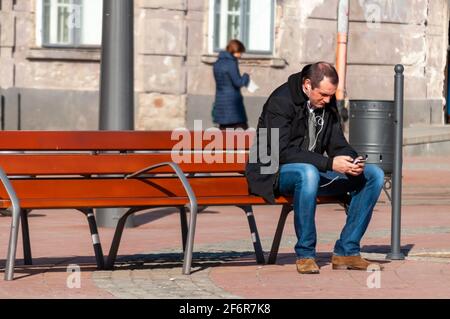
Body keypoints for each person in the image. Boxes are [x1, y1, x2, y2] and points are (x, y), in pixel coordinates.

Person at [245, 62, 385, 274]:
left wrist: (352, 160)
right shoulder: (281, 101)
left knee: (374, 174)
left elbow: (337, 142)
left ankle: (347, 250)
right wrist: (329, 164)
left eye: (331, 95)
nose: (328, 100)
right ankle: (306, 254)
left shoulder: (325, 103)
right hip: (272, 172)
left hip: (310, 173)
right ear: (307, 85)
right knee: (307, 172)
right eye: (323, 94)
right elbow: (280, 152)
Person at [212, 39, 250, 130]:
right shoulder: (231, 63)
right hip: (233, 103)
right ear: (235, 50)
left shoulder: (217, 63)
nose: (241, 55)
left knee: (224, 131)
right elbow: (238, 82)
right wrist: (246, 76)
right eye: (240, 52)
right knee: (242, 130)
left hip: (220, 101)